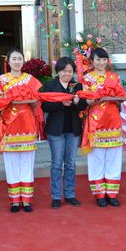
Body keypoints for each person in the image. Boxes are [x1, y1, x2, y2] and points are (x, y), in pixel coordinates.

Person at [0, 48, 43, 213]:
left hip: (27, 124)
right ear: (8, 61)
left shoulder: (30, 79)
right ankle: (15, 200)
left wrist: (31, 100)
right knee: (11, 164)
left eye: (19, 59)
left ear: (23, 61)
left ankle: (27, 199)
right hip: (9, 125)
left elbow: (36, 103)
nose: (17, 62)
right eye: (14, 59)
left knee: (27, 163)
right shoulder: (1, 80)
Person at [41, 56, 88, 209]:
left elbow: (83, 106)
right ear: (58, 71)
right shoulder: (50, 85)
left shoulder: (77, 86)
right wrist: (61, 104)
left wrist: (77, 103)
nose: (67, 74)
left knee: (70, 164)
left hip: (73, 130)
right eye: (63, 71)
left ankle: (69, 194)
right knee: (56, 164)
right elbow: (45, 106)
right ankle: (56, 196)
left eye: (69, 71)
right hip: (56, 130)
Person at [81, 48, 125, 207]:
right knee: (97, 159)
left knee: (114, 158)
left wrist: (117, 97)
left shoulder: (114, 77)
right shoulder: (87, 78)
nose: (101, 62)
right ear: (92, 61)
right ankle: (99, 194)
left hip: (113, 121)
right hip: (95, 122)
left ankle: (112, 193)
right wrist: (97, 99)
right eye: (98, 59)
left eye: (104, 59)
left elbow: (122, 97)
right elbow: (86, 101)